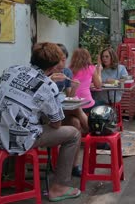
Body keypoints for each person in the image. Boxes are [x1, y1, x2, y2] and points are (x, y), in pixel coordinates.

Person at [0, 42, 82, 201]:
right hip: (18, 139)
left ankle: (13, 177)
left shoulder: (12, 70)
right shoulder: (47, 85)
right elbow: (56, 123)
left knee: (30, 123)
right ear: (52, 67)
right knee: (73, 134)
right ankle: (59, 187)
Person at [51, 44, 88, 177]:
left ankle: (73, 166)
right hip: (48, 115)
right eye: (60, 59)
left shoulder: (66, 72)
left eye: (64, 59)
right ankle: (94, 130)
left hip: (61, 110)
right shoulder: (45, 73)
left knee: (76, 123)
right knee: (77, 110)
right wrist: (49, 81)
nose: (62, 63)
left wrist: (74, 87)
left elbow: (69, 97)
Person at [69, 48, 103, 113]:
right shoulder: (91, 68)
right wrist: (99, 70)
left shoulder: (69, 69)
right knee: (103, 103)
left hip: (72, 104)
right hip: (87, 104)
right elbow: (98, 85)